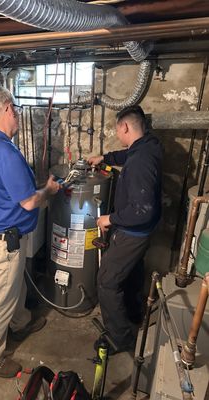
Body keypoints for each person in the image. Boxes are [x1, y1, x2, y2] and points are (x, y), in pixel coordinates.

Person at [0, 86, 60, 378]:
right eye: (17, 110)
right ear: (8, 109)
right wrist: (48, 189)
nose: (19, 115)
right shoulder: (4, 152)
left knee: (15, 288)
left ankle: (20, 321)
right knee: (1, 300)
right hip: (4, 242)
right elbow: (28, 202)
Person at [88, 105, 162, 354]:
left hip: (133, 233)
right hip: (142, 232)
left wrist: (111, 219)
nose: (118, 133)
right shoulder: (148, 145)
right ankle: (134, 314)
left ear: (125, 127)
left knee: (107, 281)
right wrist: (105, 159)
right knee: (130, 273)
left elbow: (143, 210)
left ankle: (121, 338)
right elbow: (127, 154)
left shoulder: (140, 160)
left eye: (117, 129)